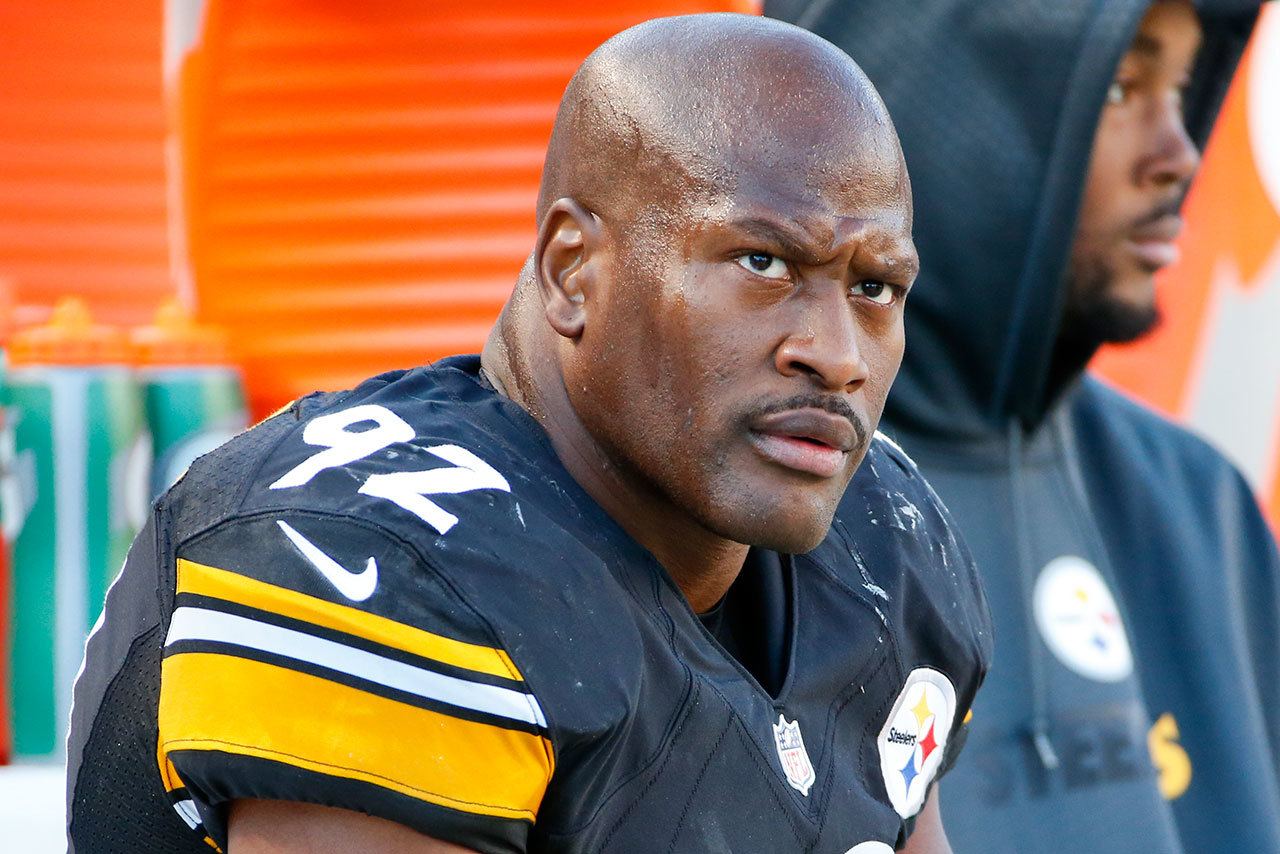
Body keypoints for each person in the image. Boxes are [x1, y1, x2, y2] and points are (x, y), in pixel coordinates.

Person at [64, 14, 991, 854]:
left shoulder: (887, 539)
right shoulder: (380, 558)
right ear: (573, 269)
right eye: (762, 261)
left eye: (874, 287)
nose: (836, 356)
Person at [769, 0, 1279, 852]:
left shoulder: (1202, 506)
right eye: (1120, 87)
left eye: (1182, 89)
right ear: (932, 109)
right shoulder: (751, 518)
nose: (1177, 155)